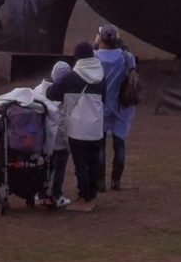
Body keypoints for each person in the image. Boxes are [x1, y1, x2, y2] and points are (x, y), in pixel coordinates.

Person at [44, 44, 108, 212]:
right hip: (96, 127)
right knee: (93, 163)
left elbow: (51, 93)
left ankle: (84, 198)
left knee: (81, 164)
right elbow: (105, 100)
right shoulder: (101, 77)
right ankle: (91, 195)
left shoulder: (71, 77)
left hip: (77, 127)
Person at [94, 26, 137, 191]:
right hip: (121, 106)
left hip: (101, 106)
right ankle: (116, 181)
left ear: (101, 39)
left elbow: (85, 61)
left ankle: (100, 182)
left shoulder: (96, 56)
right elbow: (131, 66)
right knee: (119, 144)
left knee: (100, 145)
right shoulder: (127, 57)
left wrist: (95, 44)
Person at [33, 61, 72, 207]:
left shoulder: (38, 90)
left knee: (45, 165)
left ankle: (41, 194)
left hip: (42, 137)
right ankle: (57, 195)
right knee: (60, 164)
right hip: (59, 137)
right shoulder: (67, 92)